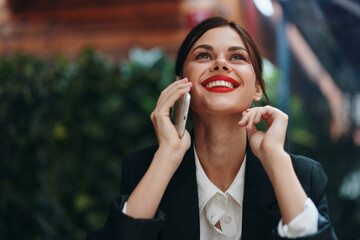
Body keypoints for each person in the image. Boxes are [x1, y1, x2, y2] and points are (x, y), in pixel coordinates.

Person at [87, 16, 337, 240]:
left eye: (237, 57)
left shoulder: (302, 177)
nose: (220, 64)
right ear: (180, 83)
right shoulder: (144, 169)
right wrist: (168, 155)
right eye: (203, 55)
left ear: (258, 89)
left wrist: (275, 158)